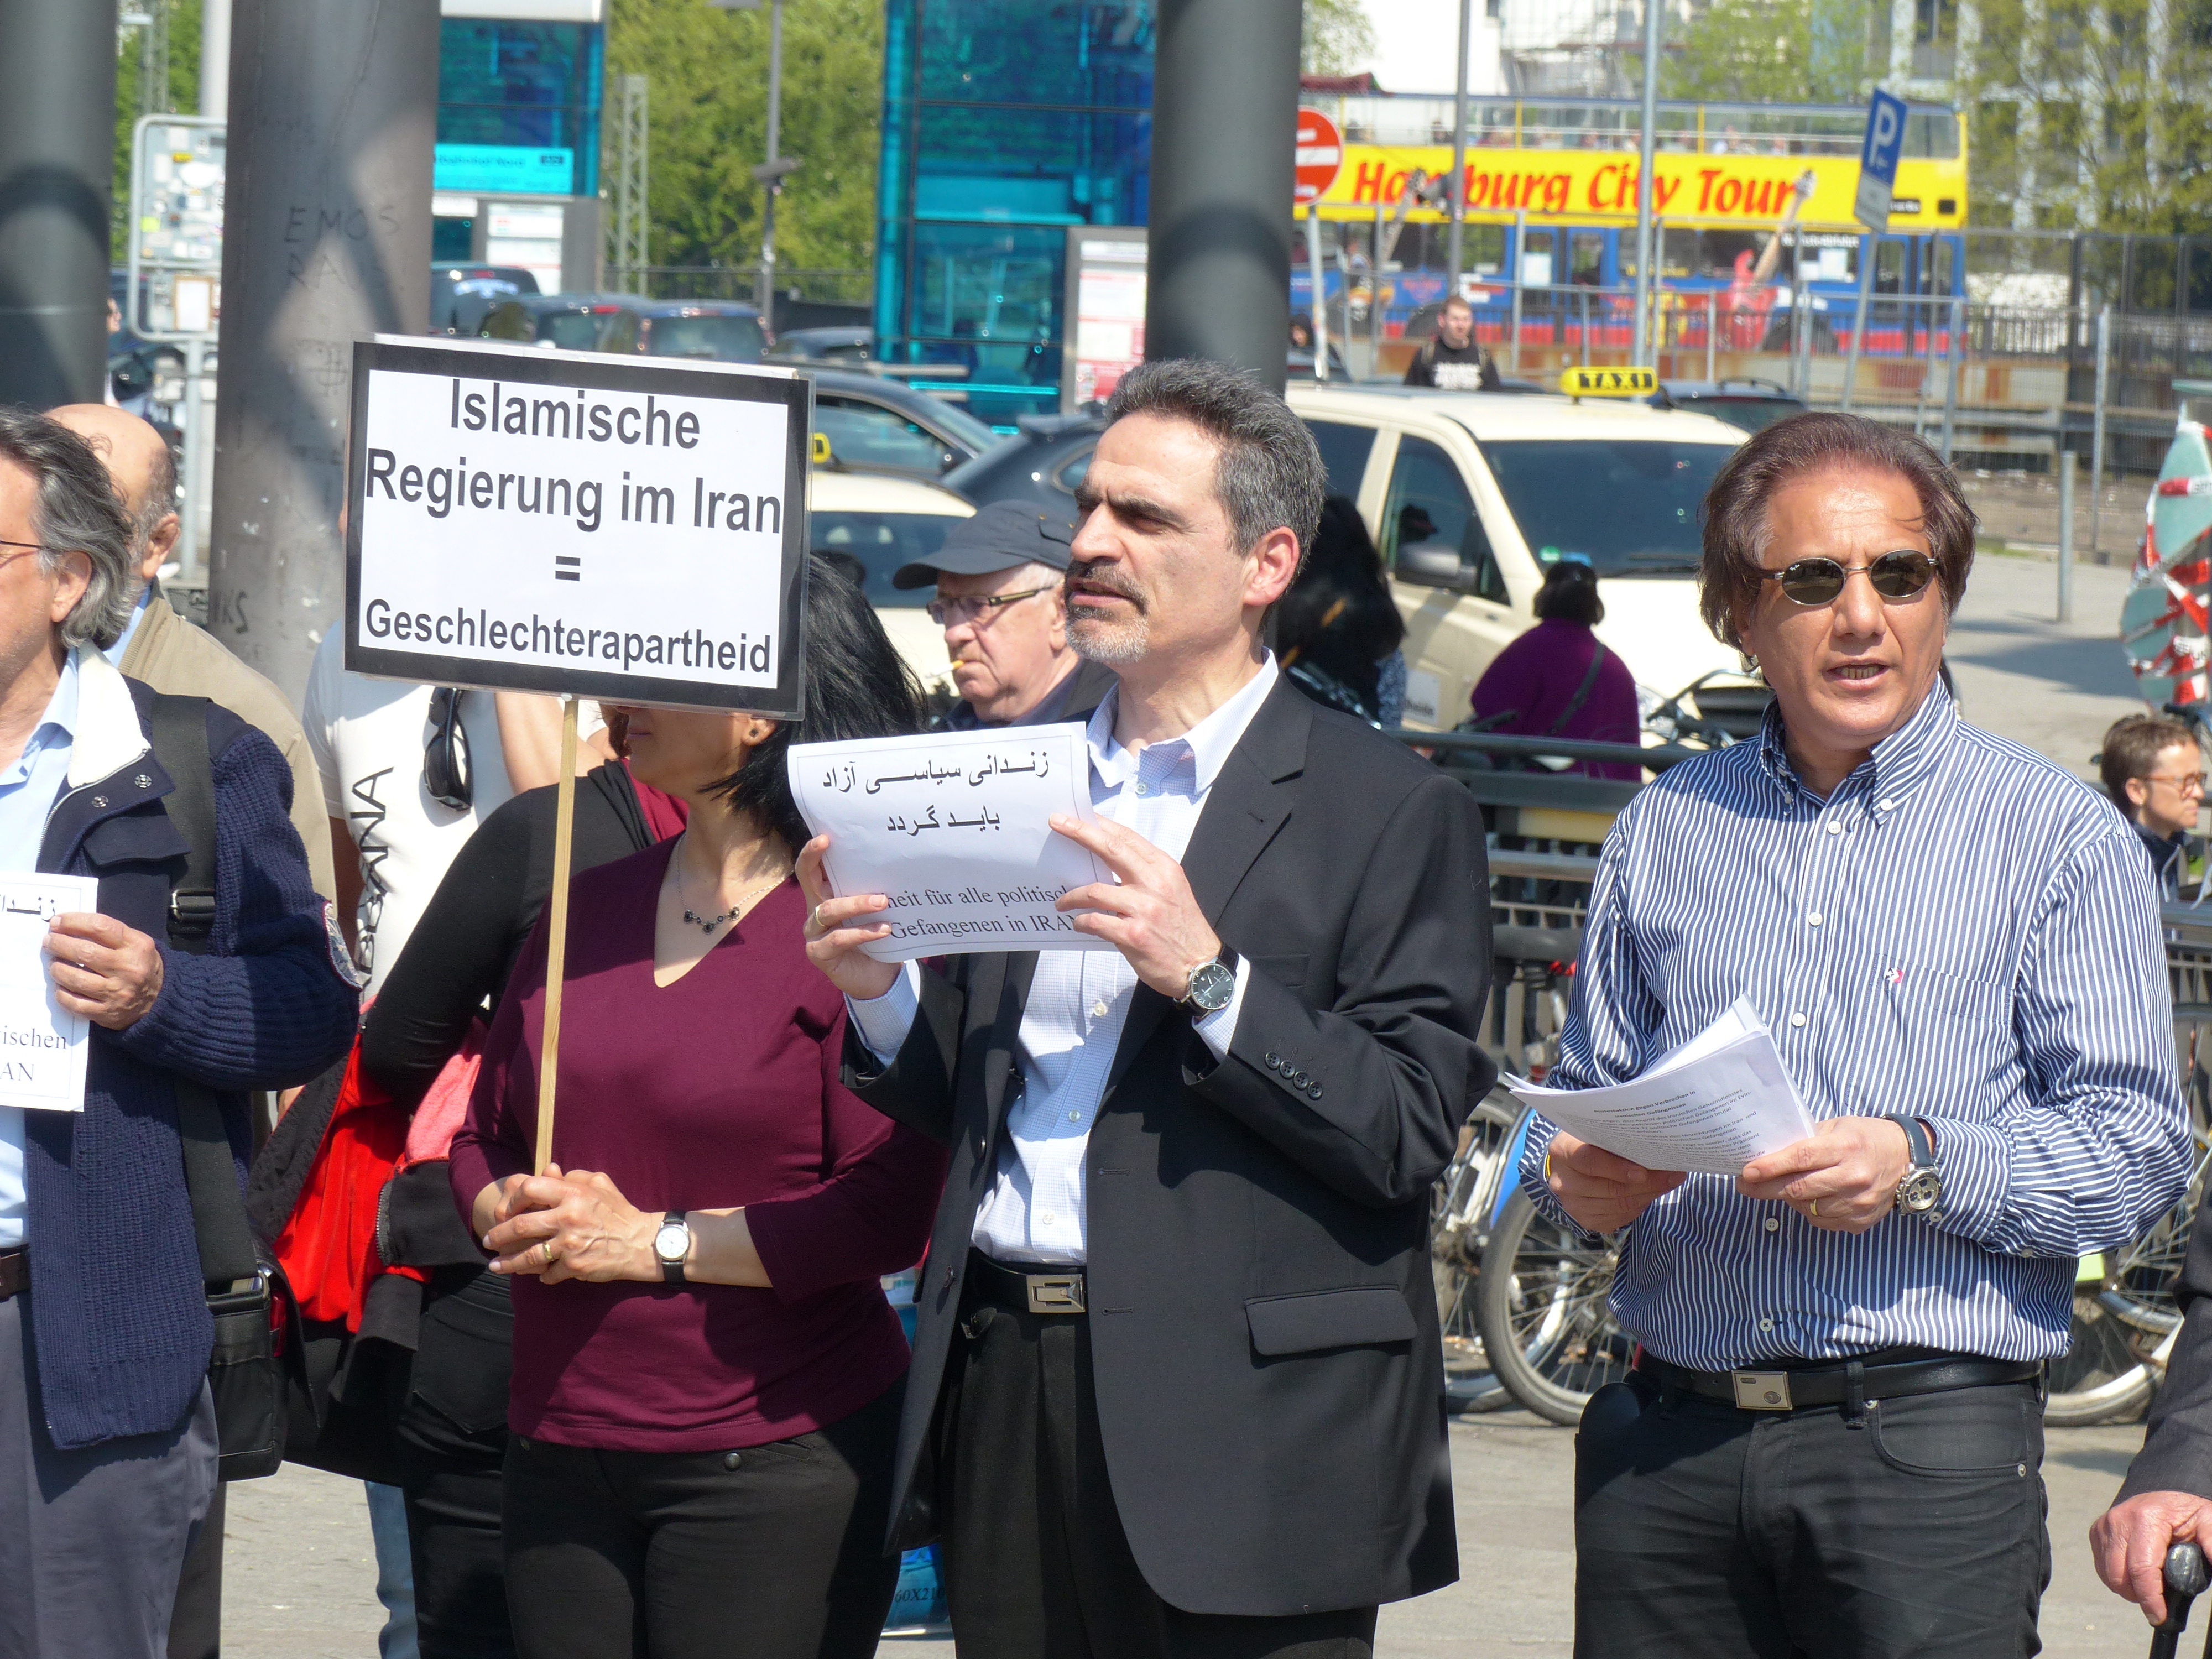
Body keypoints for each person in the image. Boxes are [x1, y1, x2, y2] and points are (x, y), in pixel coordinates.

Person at [801, 358, 1493, 1657]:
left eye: (1144, 517)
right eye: (1089, 507)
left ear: (1266, 563)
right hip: (1007, 1379)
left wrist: (1213, 980)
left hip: (1249, 1434)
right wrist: (880, 995)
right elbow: (984, 1097)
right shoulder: (1009, 774)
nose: (1090, 544)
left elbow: (1405, 1127)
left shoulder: (1388, 808)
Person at [1521, 410, 2191, 1657]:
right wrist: (1574, 1177)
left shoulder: (2055, 838)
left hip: (1923, 1452)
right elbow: (1576, 1105)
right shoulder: (1664, 828)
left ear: (1945, 595)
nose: (1861, 617)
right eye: (1813, 580)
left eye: (1899, 574)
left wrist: (1920, 1161)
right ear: (1740, 610)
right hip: (1668, 1444)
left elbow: (2137, 1153)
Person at [448, 557, 950, 1659]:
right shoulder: (586, 901)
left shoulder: (860, 927)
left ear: (759, 712)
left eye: (655, 667)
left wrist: (651, 1243)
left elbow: (887, 1209)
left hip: (773, 1457)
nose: (613, 696)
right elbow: (484, 1132)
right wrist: (504, 1210)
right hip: (557, 1439)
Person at [0, 406, 359, 1657]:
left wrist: (163, 996)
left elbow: (311, 1007)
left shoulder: (189, 759)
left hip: (75, 1341)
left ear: (69, 580)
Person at [356, 738, 686, 1659]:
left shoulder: (549, 831)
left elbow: (397, 1046)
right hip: (717, 1340)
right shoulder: (829, 851)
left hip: (518, 1308)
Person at [49, 403, 338, 907]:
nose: (55, 545)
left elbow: (299, 941)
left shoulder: (240, 718)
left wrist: (159, 960)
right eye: (35, 514)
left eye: (89, 521)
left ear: (156, 544)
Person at [890, 499, 1115, 729]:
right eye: (945, 607)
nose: (954, 635)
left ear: (1062, 612)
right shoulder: (939, 741)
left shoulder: (1119, 732)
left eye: (979, 606)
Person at [1469, 559, 1641, 779]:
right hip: (1606, 794)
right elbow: (1627, 749)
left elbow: (1488, 716)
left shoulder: (1528, 649)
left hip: (1532, 790)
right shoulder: (1615, 667)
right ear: (1594, 603)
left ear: (1545, 596)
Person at [1275, 495, 1406, 724]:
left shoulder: (1274, 611)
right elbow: (1389, 717)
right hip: (1353, 739)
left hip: (1283, 729)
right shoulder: (1381, 617)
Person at [2098, 711, 2200, 898]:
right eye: (2185, 782)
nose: (2199, 793)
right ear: (2138, 791)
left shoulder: (2167, 849)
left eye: (2199, 780)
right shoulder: (2115, 867)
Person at [1402, 294, 1500, 391]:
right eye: (1455, 319)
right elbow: (1410, 393)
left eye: (1466, 319)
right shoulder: (1426, 355)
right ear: (1442, 320)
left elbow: (1494, 395)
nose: (1461, 325)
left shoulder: (1483, 357)